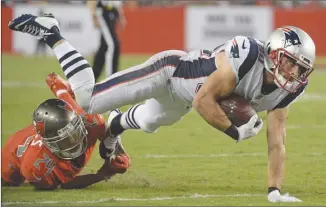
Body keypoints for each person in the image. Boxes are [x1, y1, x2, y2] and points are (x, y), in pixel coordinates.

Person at [9, 13, 315, 202]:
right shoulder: (247, 54)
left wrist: (274, 190)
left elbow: (277, 143)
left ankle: (113, 127)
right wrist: (235, 130)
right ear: (274, 53)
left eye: (300, 69)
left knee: (150, 121)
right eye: (291, 63)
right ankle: (53, 33)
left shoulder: (289, 91)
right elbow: (203, 101)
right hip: (168, 72)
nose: (294, 73)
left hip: (180, 98)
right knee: (87, 99)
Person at [1, 73, 130, 190]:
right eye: (64, 140)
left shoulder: (91, 121)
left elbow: (110, 136)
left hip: (55, 123)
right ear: (49, 144)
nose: (73, 140)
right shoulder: (36, 167)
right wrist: (103, 174)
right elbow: (66, 183)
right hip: (15, 151)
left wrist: (118, 153)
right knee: (7, 181)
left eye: (74, 132)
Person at [88, 0, 126, 80]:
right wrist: (94, 15)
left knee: (104, 46)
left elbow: (117, 3)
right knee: (112, 45)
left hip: (112, 12)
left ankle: (92, 78)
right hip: (103, 11)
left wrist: (121, 16)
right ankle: (111, 78)